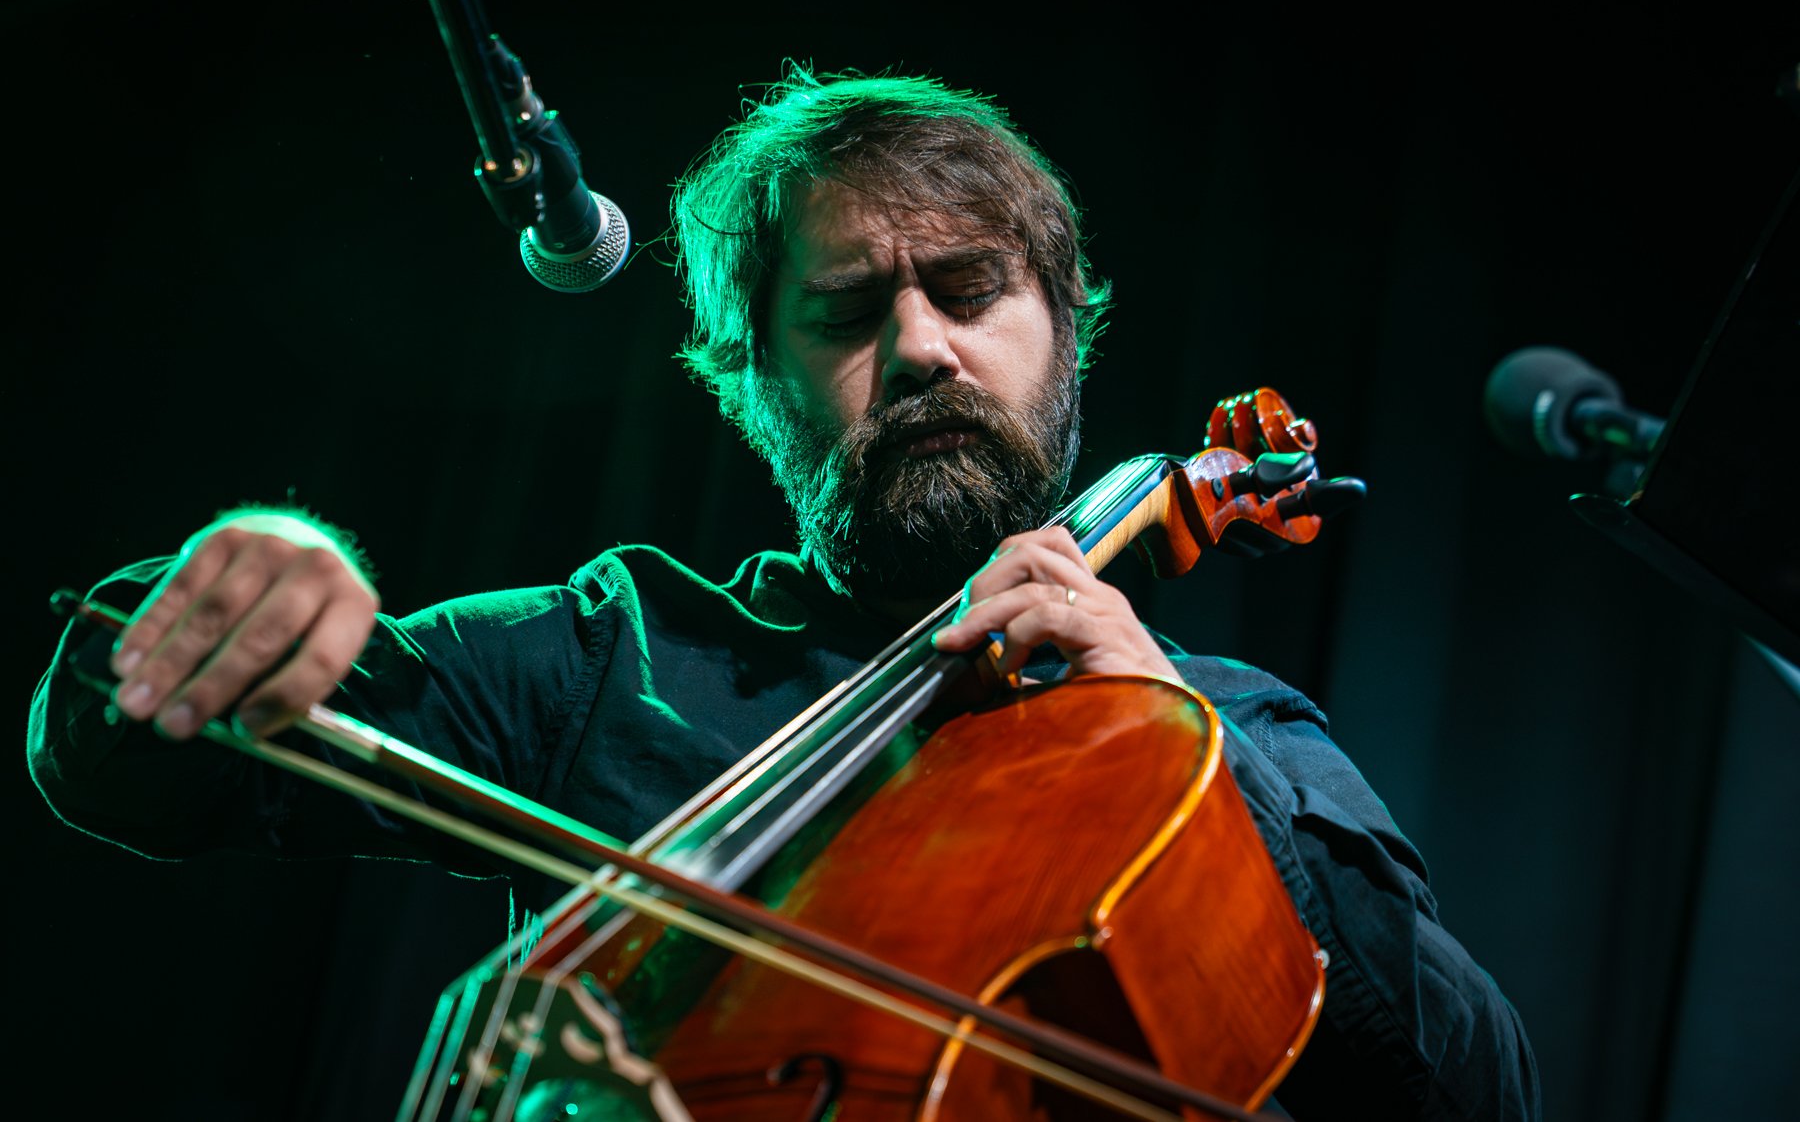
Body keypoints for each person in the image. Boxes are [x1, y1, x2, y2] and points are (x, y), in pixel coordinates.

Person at [27, 67, 1539, 1119]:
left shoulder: (1231, 731)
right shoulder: (618, 654)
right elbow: (143, 763)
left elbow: (1476, 1091)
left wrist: (1178, 741)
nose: (924, 350)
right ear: (755, 384)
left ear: (1065, 337)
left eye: (970, 290)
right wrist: (240, 586)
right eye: (847, 311)